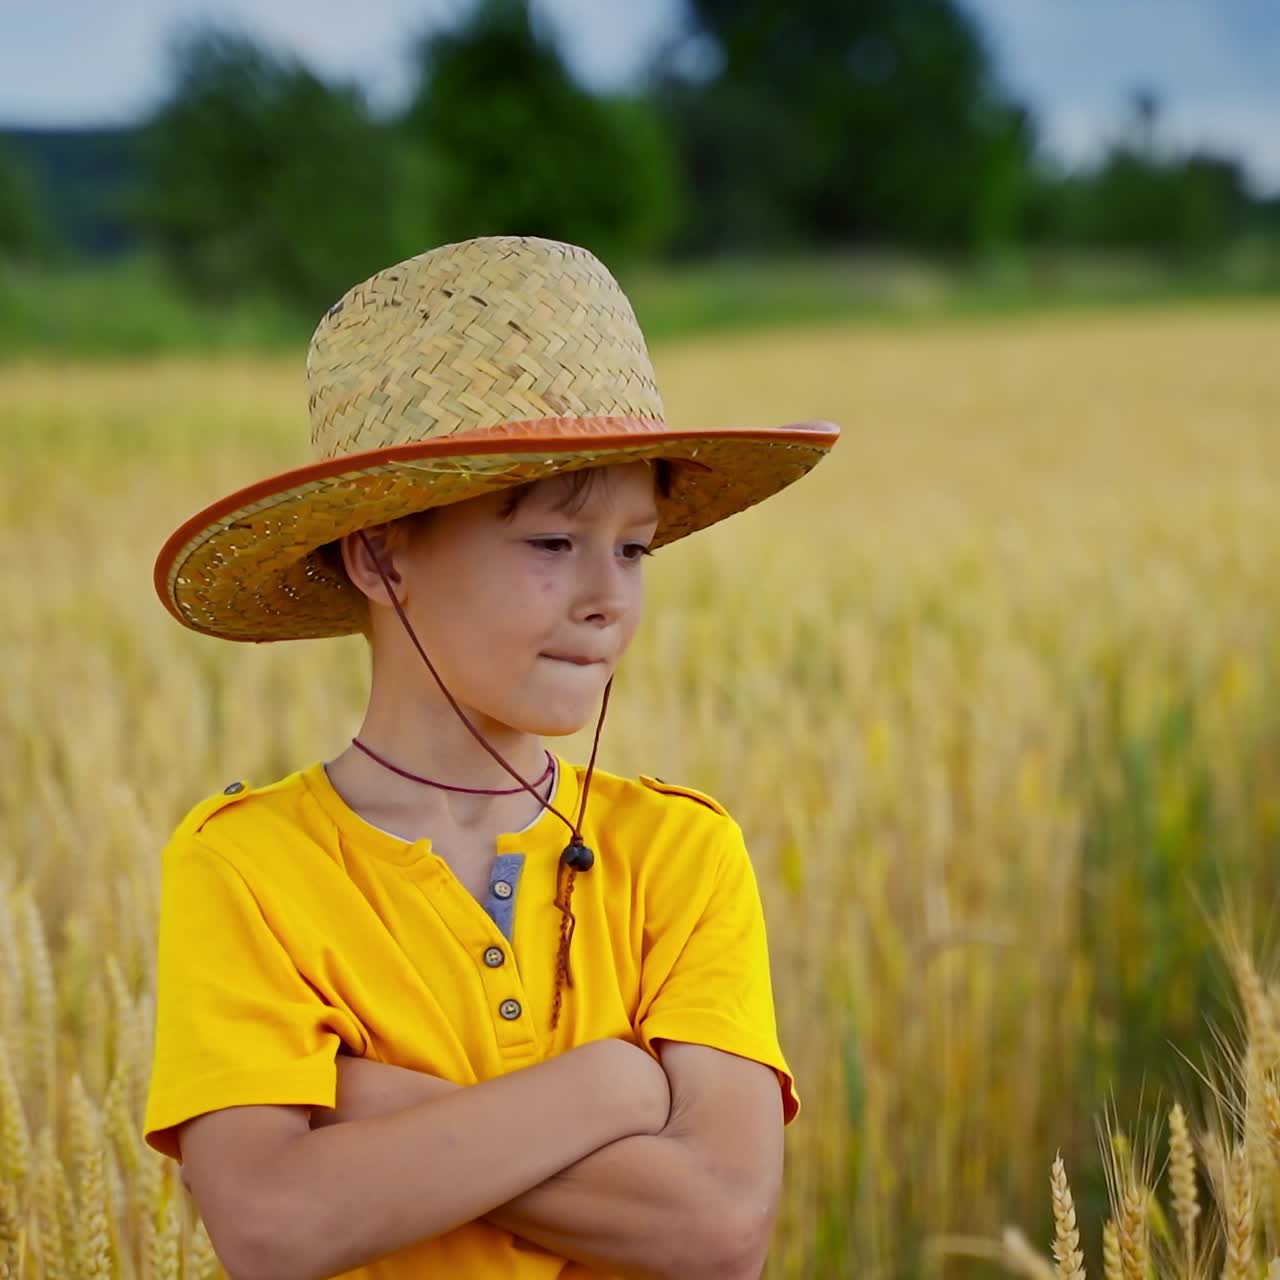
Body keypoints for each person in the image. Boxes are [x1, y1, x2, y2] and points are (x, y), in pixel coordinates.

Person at [141, 234, 840, 1279]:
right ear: (380, 553)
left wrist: (360, 1101)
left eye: (634, 547)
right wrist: (612, 1084)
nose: (607, 595)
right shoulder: (248, 864)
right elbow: (272, 1225)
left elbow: (718, 1225)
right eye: (553, 544)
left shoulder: (679, 851)